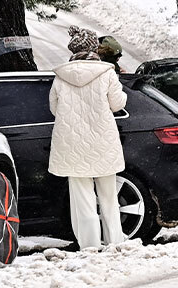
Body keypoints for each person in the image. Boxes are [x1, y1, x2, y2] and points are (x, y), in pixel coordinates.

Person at [48, 26, 129, 249]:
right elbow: (118, 104)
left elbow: (54, 109)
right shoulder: (106, 73)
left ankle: (90, 245)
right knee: (109, 197)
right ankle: (114, 241)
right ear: (94, 47)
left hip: (71, 143)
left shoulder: (60, 76)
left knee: (82, 199)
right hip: (102, 140)